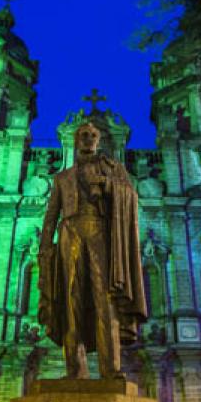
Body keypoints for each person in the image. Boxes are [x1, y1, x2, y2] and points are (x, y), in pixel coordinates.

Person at [38, 122, 147, 378]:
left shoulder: (113, 170)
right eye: (83, 135)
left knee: (105, 300)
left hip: (100, 233)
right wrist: (45, 247)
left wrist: (107, 185)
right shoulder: (62, 178)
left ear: (98, 141)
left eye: (93, 136)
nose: (88, 139)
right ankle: (75, 371)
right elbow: (51, 215)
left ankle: (111, 370)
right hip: (69, 234)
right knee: (70, 299)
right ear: (76, 140)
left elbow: (130, 196)